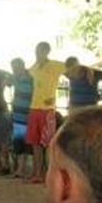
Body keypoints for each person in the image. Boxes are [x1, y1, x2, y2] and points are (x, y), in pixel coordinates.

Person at [26, 42, 66, 183]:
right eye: (36, 50)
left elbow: (73, 68)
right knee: (35, 143)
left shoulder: (55, 65)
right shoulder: (34, 67)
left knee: (49, 144)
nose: (37, 53)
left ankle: (51, 176)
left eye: (40, 51)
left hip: (47, 110)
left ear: (46, 51)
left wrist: (54, 98)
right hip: (34, 108)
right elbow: (24, 75)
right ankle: (37, 174)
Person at [9, 57, 34, 179]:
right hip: (17, 116)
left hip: (27, 116)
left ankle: (28, 169)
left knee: (28, 143)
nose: (13, 70)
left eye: (15, 67)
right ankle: (20, 169)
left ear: (22, 66)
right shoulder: (15, 78)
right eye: (13, 68)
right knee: (18, 143)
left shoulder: (31, 78)